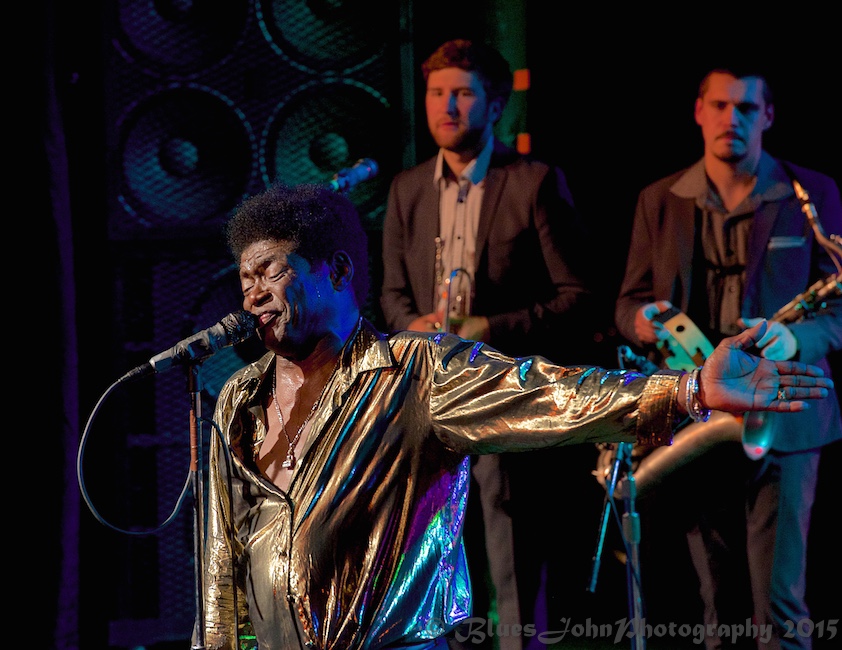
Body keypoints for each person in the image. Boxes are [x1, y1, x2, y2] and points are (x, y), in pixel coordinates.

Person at [197, 180, 832, 650]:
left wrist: (688, 388)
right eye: (244, 277)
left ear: (334, 272)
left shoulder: (412, 375)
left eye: (271, 272)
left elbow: (548, 393)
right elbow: (223, 562)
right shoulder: (240, 400)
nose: (252, 293)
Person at [613, 66, 842, 649]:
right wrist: (643, 321)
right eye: (719, 105)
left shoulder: (811, 193)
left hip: (786, 412)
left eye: (744, 108)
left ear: (767, 115)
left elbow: (838, 307)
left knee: (781, 606)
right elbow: (628, 304)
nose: (730, 119)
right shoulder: (657, 198)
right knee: (714, 603)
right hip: (700, 413)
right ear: (698, 111)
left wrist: (798, 340)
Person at [379, 38, 600, 644]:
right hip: (430, 403)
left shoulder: (533, 182)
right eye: (436, 93)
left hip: (506, 398)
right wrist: (412, 325)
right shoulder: (407, 189)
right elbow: (392, 296)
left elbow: (577, 297)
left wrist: (489, 329)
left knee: (511, 562)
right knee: (430, 563)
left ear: (495, 105)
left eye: (463, 93)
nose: (446, 106)